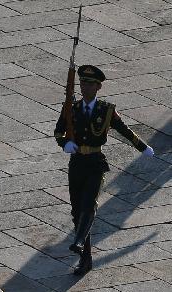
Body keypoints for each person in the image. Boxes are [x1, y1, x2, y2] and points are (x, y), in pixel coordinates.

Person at [54, 64, 155, 277]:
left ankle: (80, 242)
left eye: (90, 84)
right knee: (76, 210)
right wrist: (65, 144)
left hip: (95, 163)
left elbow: (124, 130)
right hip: (77, 163)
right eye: (82, 83)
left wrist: (143, 147)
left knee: (89, 204)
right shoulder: (71, 108)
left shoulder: (106, 110)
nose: (85, 87)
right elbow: (58, 131)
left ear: (98, 87)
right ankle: (86, 258)